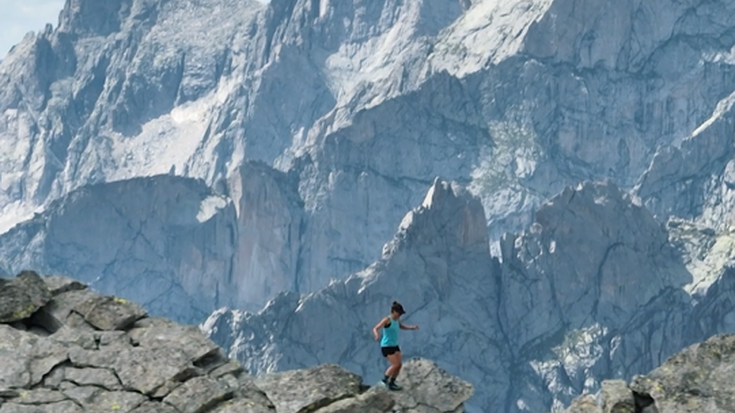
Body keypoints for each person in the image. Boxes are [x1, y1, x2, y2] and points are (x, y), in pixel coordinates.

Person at [372, 301, 419, 390]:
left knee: (399, 365)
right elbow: (375, 328)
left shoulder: (396, 320)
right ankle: (384, 380)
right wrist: (377, 335)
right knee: (395, 364)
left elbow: (401, 326)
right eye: (399, 313)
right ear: (393, 311)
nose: (400, 315)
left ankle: (392, 383)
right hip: (386, 346)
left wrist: (412, 328)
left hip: (394, 345)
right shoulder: (387, 320)